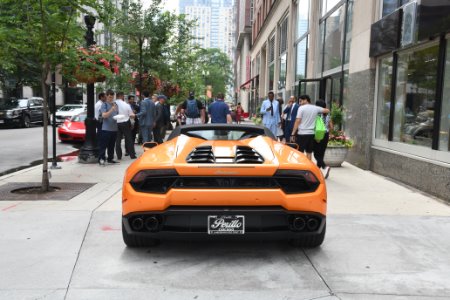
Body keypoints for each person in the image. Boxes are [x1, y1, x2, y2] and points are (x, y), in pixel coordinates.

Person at [290, 95, 330, 161]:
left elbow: (298, 121)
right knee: (309, 152)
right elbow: (327, 110)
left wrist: (293, 133)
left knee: (300, 152)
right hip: (311, 134)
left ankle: (301, 166)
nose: (300, 103)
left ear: (305, 100)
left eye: (301, 101)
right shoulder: (315, 108)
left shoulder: (301, 108)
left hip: (302, 134)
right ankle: (308, 168)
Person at [98, 89, 119, 165]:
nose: (111, 98)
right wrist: (111, 109)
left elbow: (116, 114)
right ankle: (101, 159)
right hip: (106, 129)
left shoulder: (115, 104)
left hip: (114, 128)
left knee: (112, 145)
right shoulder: (104, 104)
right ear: (106, 96)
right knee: (103, 145)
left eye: (112, 97)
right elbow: (104, 115)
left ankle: (110, 158)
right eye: (109, 96)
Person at [313, 100, 333, 178]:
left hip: (318, 134)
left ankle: (325, 167)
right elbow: (331, 126)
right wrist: (328, 133)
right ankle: (318, 172)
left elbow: (314, 125)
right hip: (326, 134)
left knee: (316, 153)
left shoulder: (317, 114)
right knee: (321, 153)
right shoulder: (327, 114)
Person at [114, 91, 136, 160]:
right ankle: (132, 155)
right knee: (129, 139)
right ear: (122, 96)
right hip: (125, 122)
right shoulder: (126, 104)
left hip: (116, 122)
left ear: (117, 96)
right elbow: (131, 115)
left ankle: (119, 156)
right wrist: (132, 122)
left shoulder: (113, 104)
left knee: (117, 140)